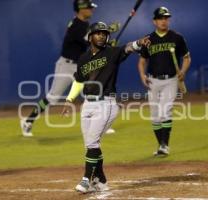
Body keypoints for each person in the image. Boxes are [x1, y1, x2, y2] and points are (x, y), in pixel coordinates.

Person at [61, 22, 150, 193]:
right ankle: (100, 180)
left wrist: (139, 42)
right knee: (90, 145)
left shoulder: (112, 52)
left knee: (93, 141)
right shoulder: (83, 58)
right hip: (87, 104)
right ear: (90, 37)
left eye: (104, 33)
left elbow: (128, 48)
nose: (102, 35)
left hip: (106, 104)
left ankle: (86, 179)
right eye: (98, 33)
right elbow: (79, 81)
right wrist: (69, 99)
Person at [20, 0, 97, 137]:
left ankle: (100, 125)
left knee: (92, 94)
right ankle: (28, 121)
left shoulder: (84, 25)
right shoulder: (75, 26)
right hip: (66, 67)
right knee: (52, 98)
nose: (92, 10)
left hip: (79, 66)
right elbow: (88, 43)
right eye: (89, 8)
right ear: (81, 9)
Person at [137, 7, 191, 156]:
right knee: (155, 115)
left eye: (166, 18)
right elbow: (142, 61)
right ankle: (161, 145)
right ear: (154, 21)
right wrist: (142, 75)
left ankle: (164, 146)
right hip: (153, 80)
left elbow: (187, 58)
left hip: (170, 80)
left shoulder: (176, 38)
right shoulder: (148, 39)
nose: (164, 21)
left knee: (164, 111)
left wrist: (183, 71)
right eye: (161, 18)